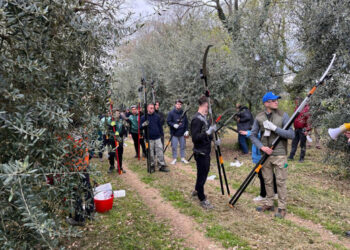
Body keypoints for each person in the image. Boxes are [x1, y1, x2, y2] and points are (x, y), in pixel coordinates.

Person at [250, 92, 294, 219]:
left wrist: (275, 129)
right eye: (273, 100)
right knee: (268, 181)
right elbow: (252, 135)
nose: (276, 102)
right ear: (266, 103)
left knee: (280, 182)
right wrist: (262, 147)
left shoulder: (283, 116)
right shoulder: (259, 117)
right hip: (265, 155)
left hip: (280, 155)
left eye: (276, 100)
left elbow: (291, 134)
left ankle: (282, 208)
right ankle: (269, 204)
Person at [190, 96, 217, 209]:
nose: (209, 108)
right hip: (200, 152)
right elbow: (195, 138)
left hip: (206, 150)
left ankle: (197, 190)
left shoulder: (204, 118)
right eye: (208, 106)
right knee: (202, 175)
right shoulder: (196, 119)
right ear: (204, 105)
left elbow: (207, 135)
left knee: (202, 173)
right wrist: (207, 133)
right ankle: (202, 198)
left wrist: (213, 138)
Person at [239, 130, 278, 201]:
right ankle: (275, 192)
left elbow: (260, 134)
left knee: (263, 176)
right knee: (269, 174)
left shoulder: (263, 126)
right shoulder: (258, 125)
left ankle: (263, 195)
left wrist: (248, 133)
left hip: (261, 156)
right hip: (258, 156)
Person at [141, 103, 169, 172]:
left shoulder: (157, 116)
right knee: (150, 153)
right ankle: (152, 166)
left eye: (153, 108)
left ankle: (161, 165)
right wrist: (144, 124)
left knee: (160, 152)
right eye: (150, 108)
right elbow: (140, 127)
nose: (152, 109)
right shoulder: (144, 117)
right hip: (149, 138)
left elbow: (160, 126)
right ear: (147, 108)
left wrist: (162, 134)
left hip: (157, 137)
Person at [288, 97, 311, 162]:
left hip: (303, 129)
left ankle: (301, 158)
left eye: (297, 100)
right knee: (294, 143)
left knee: (302, 144)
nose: (296, 102)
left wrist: (307, 129)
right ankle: (291, 156)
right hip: (296, 129)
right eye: (296, 100)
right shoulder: (297, 108)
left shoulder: (307, 109)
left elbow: (309, 120)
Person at [167, 99, 189, 165]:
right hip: (174, 133)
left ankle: (182, 158)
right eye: (177, 104)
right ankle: (174, 158)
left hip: (182, 133)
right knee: (174, 146)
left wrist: (186, 130)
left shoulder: (183, 113)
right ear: (175, 104)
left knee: (182, 146)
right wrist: (173, 125)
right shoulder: (171, 113)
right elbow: (168, 121)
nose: (179, 105)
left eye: (180, 104)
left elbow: (186, 122)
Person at [106, 108, 126, 173]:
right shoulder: (109, 120)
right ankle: (112, 166)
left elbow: (123, 130)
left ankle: (120, 167)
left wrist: (118, 134)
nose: (117, 114)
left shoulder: (121, 121)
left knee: (120, 153)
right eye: (115, 113)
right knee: (111, 153)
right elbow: (108, 131)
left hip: (119, 139)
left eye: (118, 113)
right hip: (111, 140)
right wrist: (112, 126)